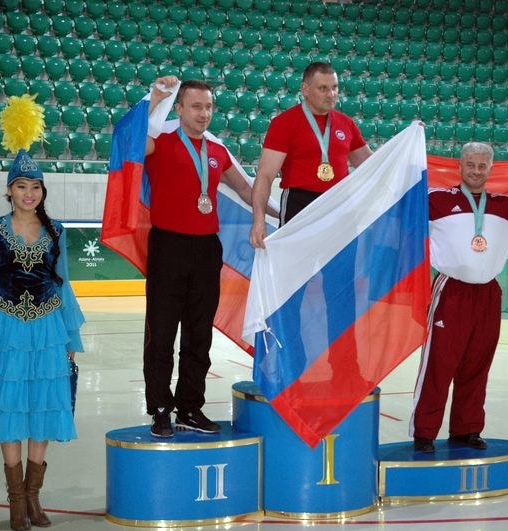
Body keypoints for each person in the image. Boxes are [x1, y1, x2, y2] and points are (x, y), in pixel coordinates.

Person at [0, 95, 84, 530]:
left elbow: (63, 282)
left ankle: (34, 497)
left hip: (48, 328)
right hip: (8, 329)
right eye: (21, 187)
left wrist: (69, 339)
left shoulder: (57, 230)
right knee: (12, 411)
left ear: (42, 192)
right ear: (9, 190)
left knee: (43, 409)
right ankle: (15, 501)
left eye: (36, 187)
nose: (29, 194)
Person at [411, 142, 508, 453]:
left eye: (482, 166)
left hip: (488, 294)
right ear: (460, 166)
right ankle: (425, 432)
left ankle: (466, 429)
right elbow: (401, 215)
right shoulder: (436, 200)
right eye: (471, 165)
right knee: (439, 364)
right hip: (451, 291)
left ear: (490, 169)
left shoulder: (506, 205)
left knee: (477, 364)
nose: (476, 171)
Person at [144, 77, 262, 438]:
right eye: (196, 106)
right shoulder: (159, 141)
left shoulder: (217, 150)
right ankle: (160, 410)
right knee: (162, 334)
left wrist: (282, 214)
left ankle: (190, 408)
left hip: (206, 249)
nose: (204, 113)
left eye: (209, 106)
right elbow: (129, 140)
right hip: (168, 247)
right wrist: (154, 99)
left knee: (199, 335)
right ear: (179, 109)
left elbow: (246, 190)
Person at [249, 61, 372, 244]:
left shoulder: (346, 124)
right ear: (305, 89)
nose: (331, 94)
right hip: (300, 204)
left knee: (342, 262)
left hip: (339, 204)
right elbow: (265, 176)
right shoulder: (284, 123)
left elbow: (371, 163)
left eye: (334, 87)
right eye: (323, 88)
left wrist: (406, 144)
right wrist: (259, 221)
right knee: (295, 262)